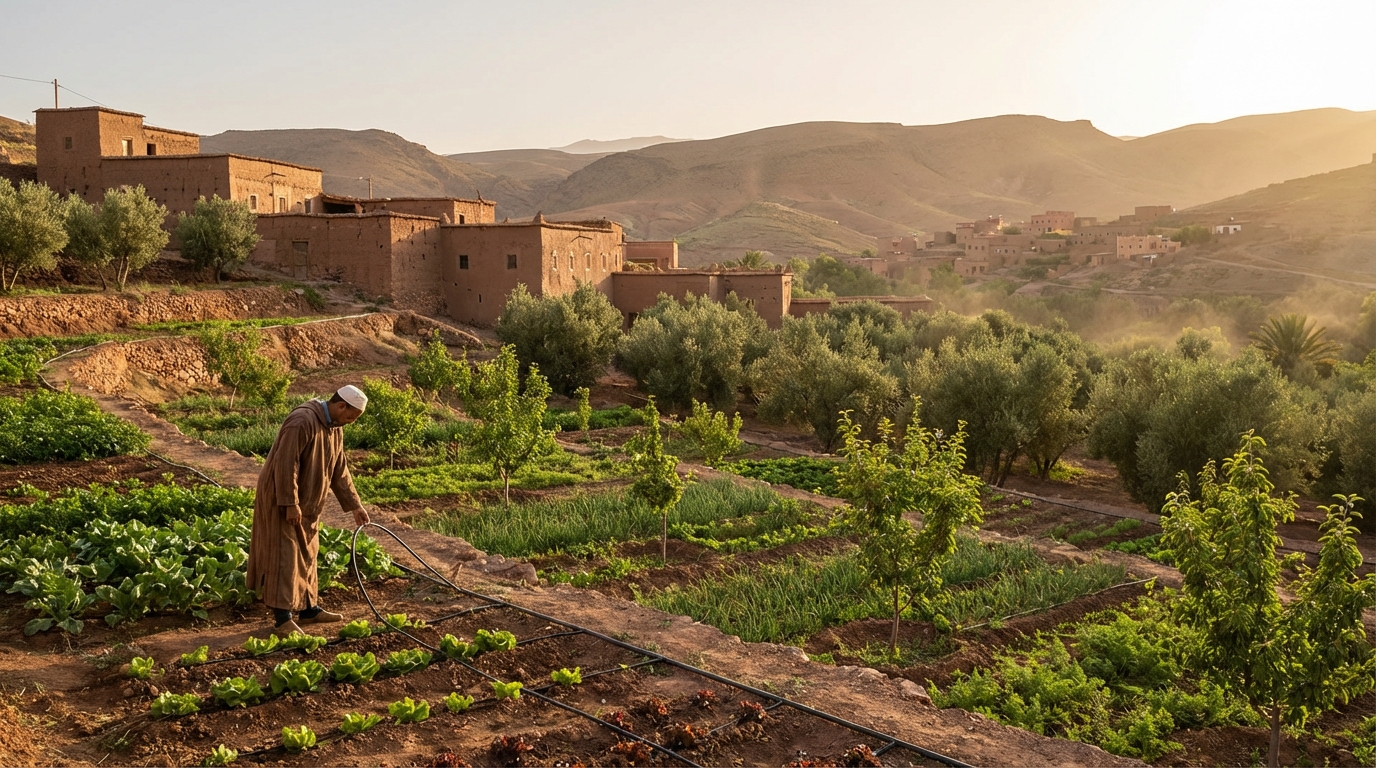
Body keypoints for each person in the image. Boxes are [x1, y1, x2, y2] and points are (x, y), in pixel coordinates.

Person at [246, 385, 371, 635]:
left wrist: (355, 505)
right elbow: (286, 464)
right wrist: (290, 503)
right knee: (285, 554)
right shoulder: (302, 420)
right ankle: (283, 619)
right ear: (341, 406)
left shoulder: (334, 427)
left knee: (308, 551)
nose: (351, 422)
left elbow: (340, 470)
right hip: (282, 498)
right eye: (351, 416)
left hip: (308, 501)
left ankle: (308, 610)